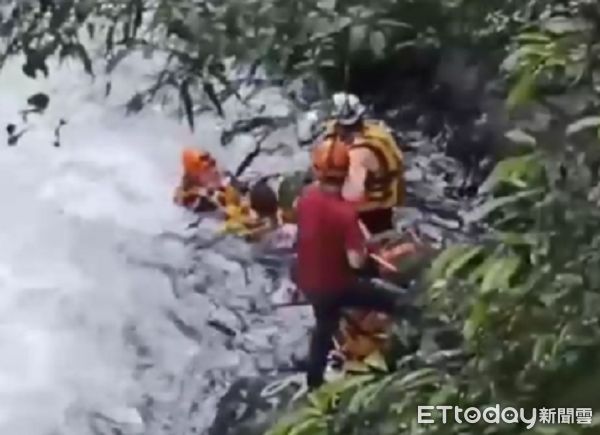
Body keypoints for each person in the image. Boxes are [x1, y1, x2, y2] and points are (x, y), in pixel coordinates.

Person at [295, 136, 415, 389]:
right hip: (336, 286)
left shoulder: (305, 198)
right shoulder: (344, 214)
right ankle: (407, 352)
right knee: (398, 302)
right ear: (346, 171)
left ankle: (314, 382)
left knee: (324, 326)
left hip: (307, 278)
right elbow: (356, 261)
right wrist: (362, 249)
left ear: (317, 171)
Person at [321, 92, 406, 235]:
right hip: (383, 203)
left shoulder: (360, 152)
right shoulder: (375, 131)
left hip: (371, 211)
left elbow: (353, 194)